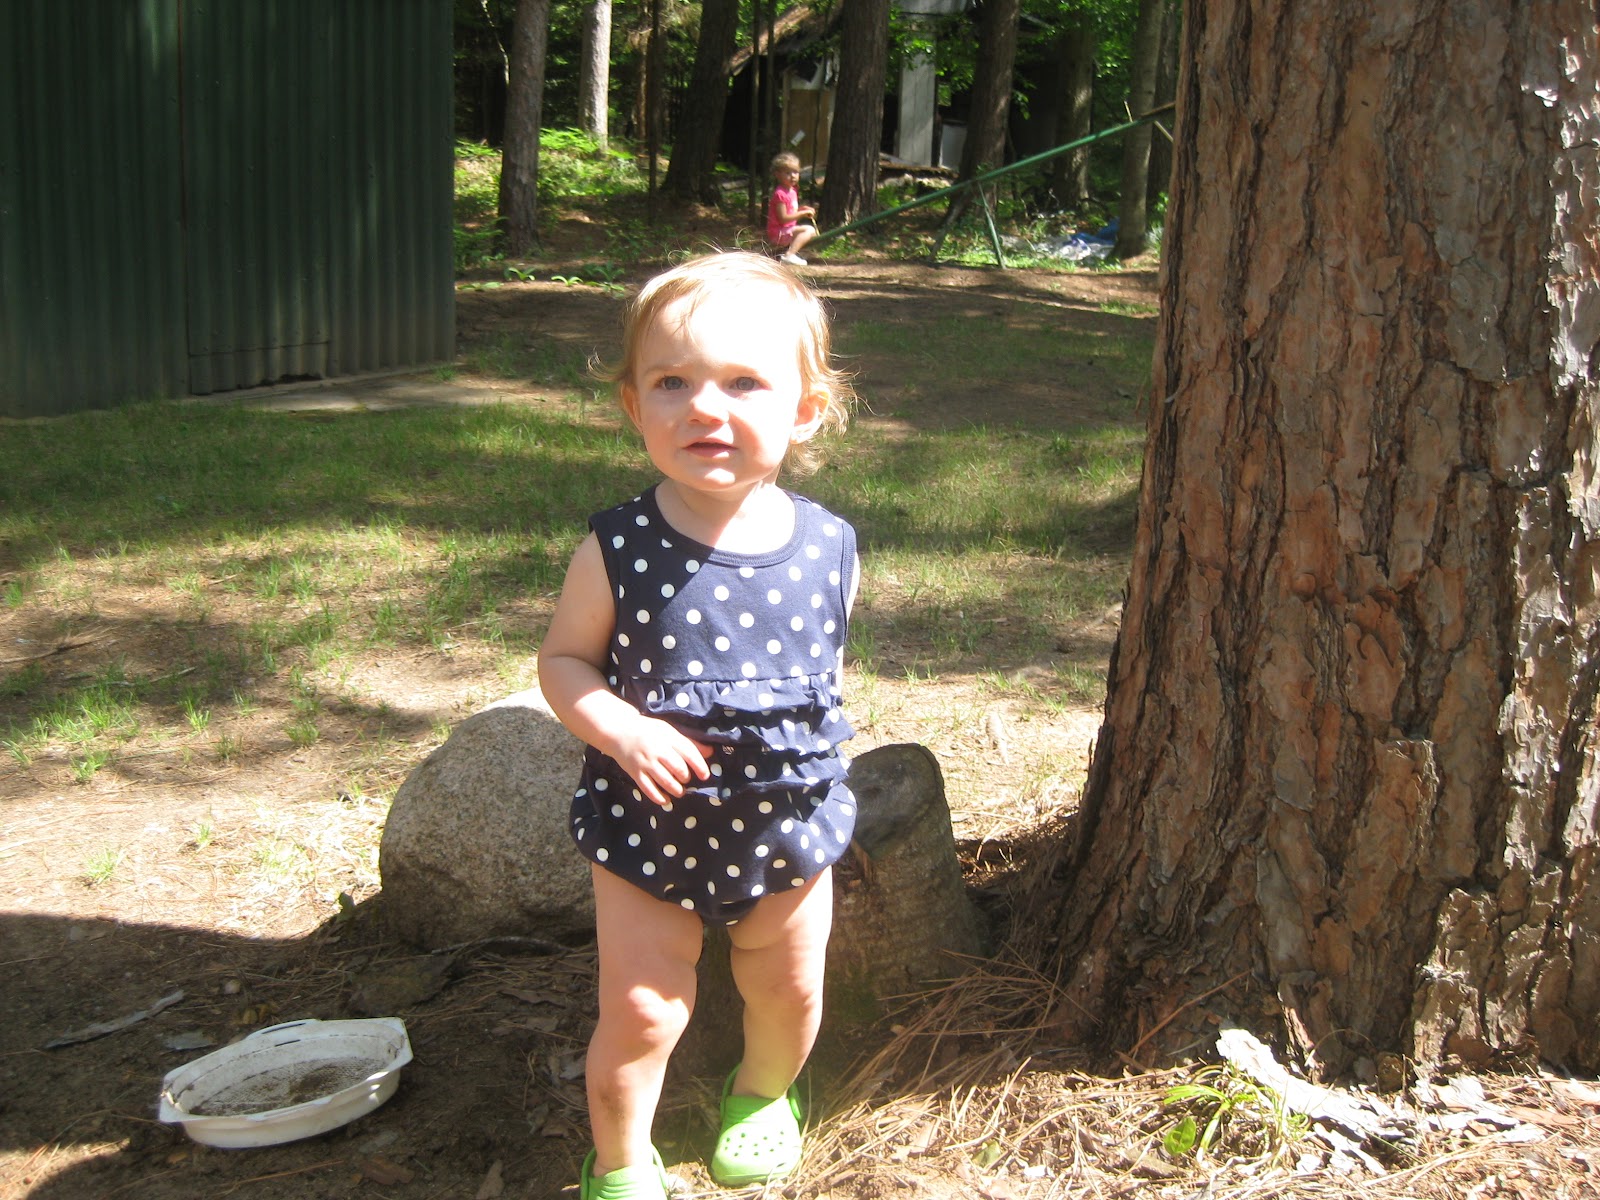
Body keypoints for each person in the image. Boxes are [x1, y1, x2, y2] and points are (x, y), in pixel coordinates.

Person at [538, 251, 859, 1200]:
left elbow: (821, 676)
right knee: (642, 1010)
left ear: (806, 410)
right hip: (651, 822)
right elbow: (563, 663)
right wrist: (619, 729)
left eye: (744, 383)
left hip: (785, 820)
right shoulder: (617, 548)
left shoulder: (830, 545)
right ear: (634, 405)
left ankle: (761, 1094)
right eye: (671, 382)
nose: (703, 408)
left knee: (789, 987)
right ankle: (620, 1160)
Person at [766, 151, 818, 266]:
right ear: (777, 174)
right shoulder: (780, 194)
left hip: (786, 230)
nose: (793, 176)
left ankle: (788, 252)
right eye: (788, 173)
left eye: (795, 172)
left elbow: (790, 211)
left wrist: (801, 210)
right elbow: (783, 218)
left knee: (810, 233)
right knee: (809, 230)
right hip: (778, 233)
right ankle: (789, 255)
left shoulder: (792, 191)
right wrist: (802, 214)